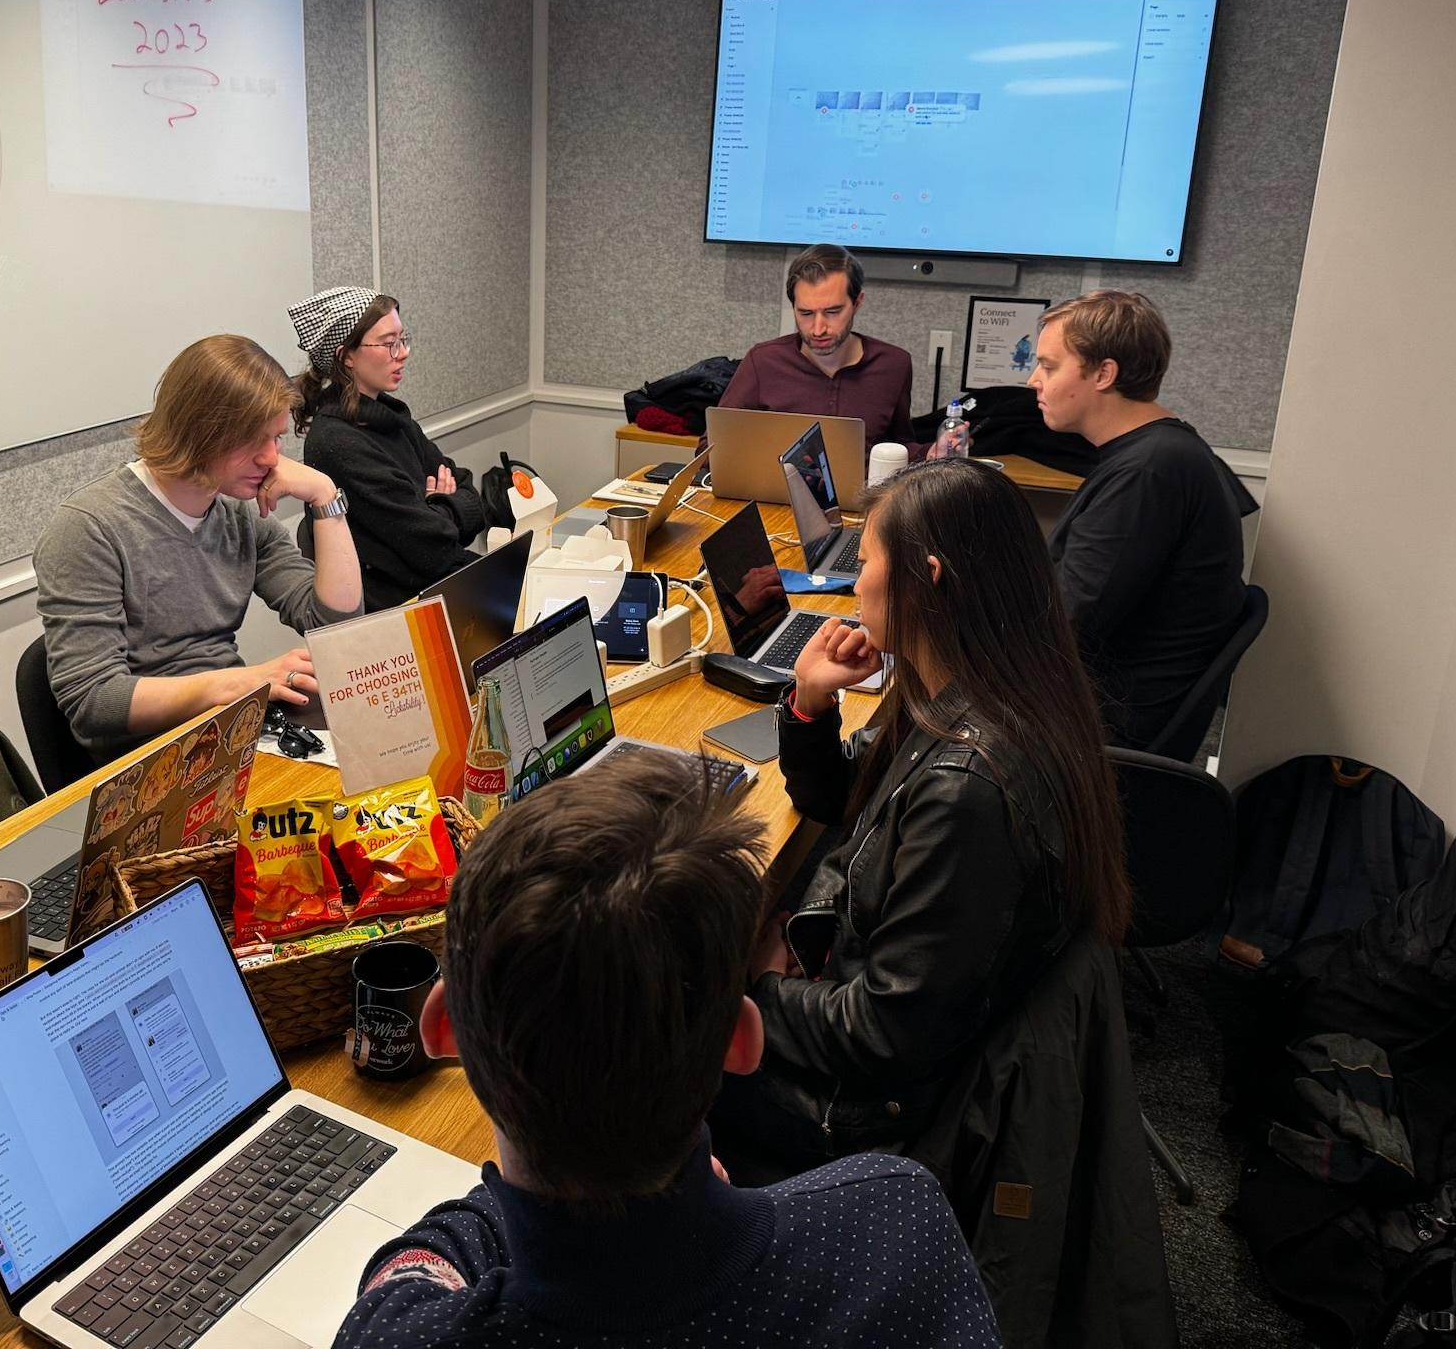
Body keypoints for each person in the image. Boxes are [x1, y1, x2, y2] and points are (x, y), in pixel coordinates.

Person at [335, 750, 999, 1348]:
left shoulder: (396, 1336)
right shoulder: (896, 1221)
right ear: (741, 1042)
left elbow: (410, 1272)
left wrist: (498, 1207)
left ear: (442, 1029)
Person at [710, 458, 1131, 1176]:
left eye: (866, 560)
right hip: (878, 998)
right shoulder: (978, 683)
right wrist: (810, 705)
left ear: (927, 575)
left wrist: (758, 987)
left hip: (872, 1112)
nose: (853, 581)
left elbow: (885, 1035)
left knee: (643, 1034)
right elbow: (844, 803)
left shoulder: (971, 786)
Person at [33, 334, 362, 764]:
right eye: (254, 441)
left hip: (228, 726)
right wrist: (236, 684)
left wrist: (324, 495)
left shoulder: (238, 511)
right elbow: (94, 700)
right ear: (199, 433)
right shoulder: (89, 527)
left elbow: (335, 624)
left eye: (277, 438)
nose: (271, 459)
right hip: (147, 756)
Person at [1028, 290, 1251, 751]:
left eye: (1049, 367)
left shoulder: (1148, 473)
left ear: (1104, 374)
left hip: (1101, 724)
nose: (1033, 380)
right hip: (1113, 700)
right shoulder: (1161, 453)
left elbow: (1067, 628)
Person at [289, 286, 487, 610]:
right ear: (346, 356)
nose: (403, 352)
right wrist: (443, 505)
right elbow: (431, 548)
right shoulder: (336, 443)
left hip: (435, 585)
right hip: (399, 611)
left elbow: (471, 497)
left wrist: (433, 507)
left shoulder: (392, 417)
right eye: (388, 343)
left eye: (402, 339)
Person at [717, 243, 918, 451]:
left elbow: (901, 447)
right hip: (777, 481)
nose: (818, 329)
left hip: (864, 483)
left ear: (857, 303)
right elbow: (712, 447)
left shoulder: (894, 365)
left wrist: (931, 452)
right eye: (806, 313)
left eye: (832, 312)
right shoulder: (763, 362)